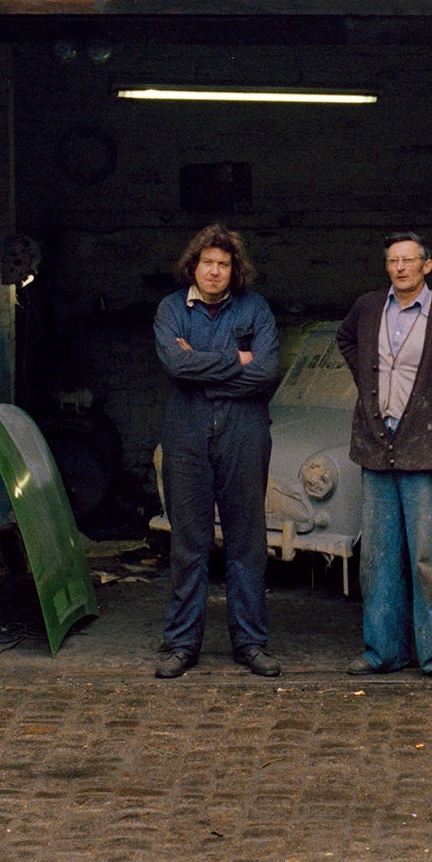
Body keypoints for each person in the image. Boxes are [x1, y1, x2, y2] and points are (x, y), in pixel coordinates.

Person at [335, 232, 432, 680]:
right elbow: (345, 339)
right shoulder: (369, 306)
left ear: (426, 266)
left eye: (408, 260)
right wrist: (369, 381)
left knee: (428, 558)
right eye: (393, 261)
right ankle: (383, 652)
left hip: (425, 452)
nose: (400, 268)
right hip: (377, 448)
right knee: (377, 559)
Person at [152, 223, 281, 679]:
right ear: (194, 265)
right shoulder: (171, 309)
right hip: (185, 435)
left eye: (224, 264)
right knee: (190, 542)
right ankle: (181, 644)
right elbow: (174, 364)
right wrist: (236, 359)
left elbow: (266, 374)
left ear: (234, 270)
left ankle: (250, 643)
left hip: (243, 432)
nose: (215, 271)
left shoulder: (256, 309)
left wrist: (200, 367)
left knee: (246, 541)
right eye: (208, 262)